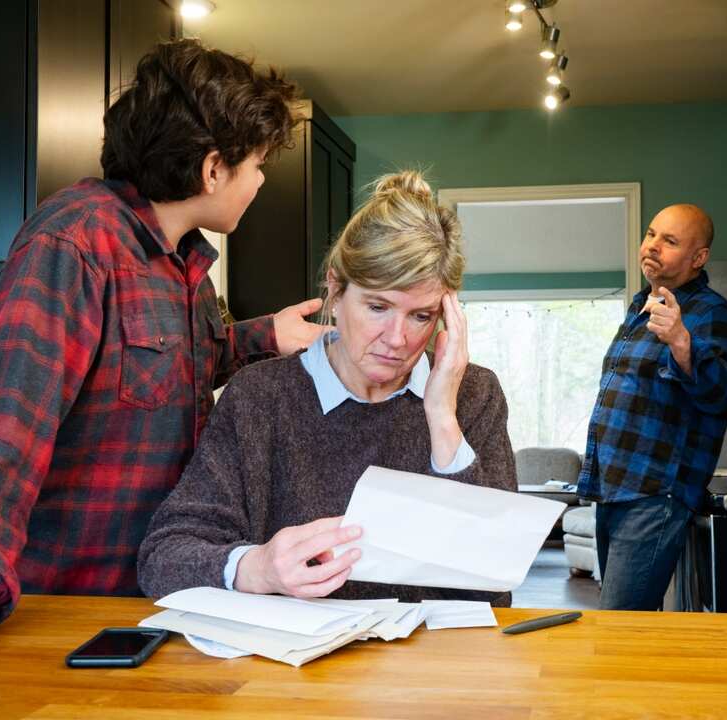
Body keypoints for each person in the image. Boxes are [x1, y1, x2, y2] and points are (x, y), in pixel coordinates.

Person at [0, 40, 328, 672]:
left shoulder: (182, 265)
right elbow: (3, 419)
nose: (262, 180)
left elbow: (166, 370)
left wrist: (263, 336)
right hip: (58, 606)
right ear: (214, 169)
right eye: (259, 164)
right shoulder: (74, 241)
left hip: (146, 603)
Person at [137, 171, 517, 606]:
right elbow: (163, 558)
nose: (398, 339)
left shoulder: (473, 393)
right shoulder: (260, 396)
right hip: (295, 667)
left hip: (429, 666)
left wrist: (442, 419)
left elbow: (493, 585)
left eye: (421, 316)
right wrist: (257, 567)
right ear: (336, 290)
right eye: (378, 306)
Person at [577, 203, 727, 611]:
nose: (652, 246)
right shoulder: (641, 307)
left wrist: (683, 345)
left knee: (621, 626)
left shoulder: (710, 312)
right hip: (616, 488)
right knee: (619, 625)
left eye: (669, 241)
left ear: (698, 258)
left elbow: (722, 392)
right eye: (651, 234)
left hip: (655, 491)